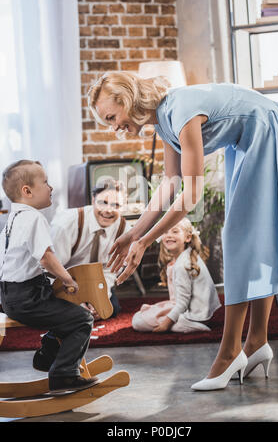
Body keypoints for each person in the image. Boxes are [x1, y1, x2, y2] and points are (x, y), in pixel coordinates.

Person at [88, 70, 278, 391]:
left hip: (267, 130)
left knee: (240, 239)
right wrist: (134, 234)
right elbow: (170, 184)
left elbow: (191, 196)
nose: (114, 126)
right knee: (255, 240)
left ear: (127, 101)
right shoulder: (163, 120)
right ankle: (256, 342)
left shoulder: (181, 112)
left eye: (111, 117)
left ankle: (230, 353)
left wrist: (146, 241)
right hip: (248, 140)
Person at [0, 160, 98, 394]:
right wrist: (68, 280)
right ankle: (64, 375)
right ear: (27, 191)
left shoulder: (11, 220)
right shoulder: (33, 218)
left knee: (67, 312)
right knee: (82, 319)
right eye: (45, 182)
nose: (51, 187)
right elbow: (46, 257)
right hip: (27, 297)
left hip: (9, 296)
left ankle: (47, 354)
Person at [50, 179, 131, 320]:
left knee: (112, 309)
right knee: (72, 313)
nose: (108, 210)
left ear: (124, 207)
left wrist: (101, 296)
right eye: (103, 202)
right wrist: (75, 299)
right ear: (93, 200)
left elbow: (110, 271)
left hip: (94, 280)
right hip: (63, 280)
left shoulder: (124, 231)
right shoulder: (67, 223)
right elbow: (52, 270)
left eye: (116, 205)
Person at [132, 217, 221, 333]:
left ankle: (189, 325)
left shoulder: (182, 265)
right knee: (142, 314)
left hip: (194, 315)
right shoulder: (187, 257)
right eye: (165, 232)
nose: (169, 235)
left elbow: (182, 303)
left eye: (175, 231)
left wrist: (165, 325)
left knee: (138, 321)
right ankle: (181, 322)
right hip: (199, 311)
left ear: (188, 237)